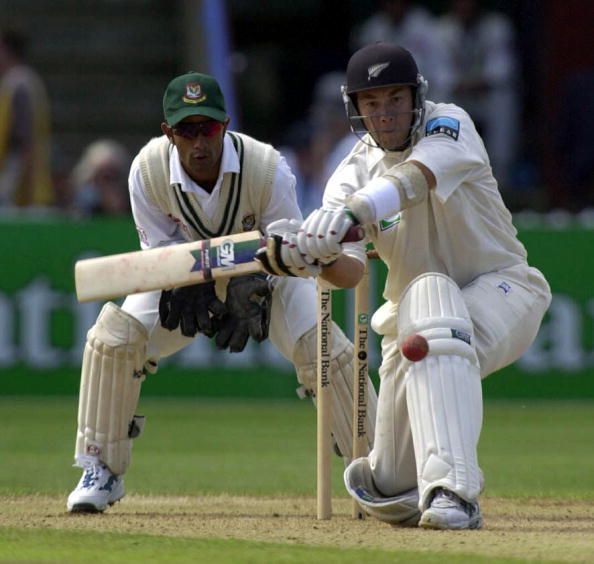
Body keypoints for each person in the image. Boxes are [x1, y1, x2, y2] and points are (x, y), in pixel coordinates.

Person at [258, 43, 551, 530]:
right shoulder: (348, 175)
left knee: (434, 298)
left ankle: (455, 492)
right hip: (410, 326)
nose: (385, 113)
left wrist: (351, 215)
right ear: (356, 108)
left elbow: (415, 179)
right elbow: (350, 275)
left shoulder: (450, 124)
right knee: (393, 481)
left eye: (395, 98)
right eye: (371, 103)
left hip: (504, 290)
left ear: (417, 97)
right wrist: (317, 258)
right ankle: (409, 485)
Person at [66, 71, 377, 513]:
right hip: (186, 283)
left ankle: (377, 470)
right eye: (186, 131)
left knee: (325, 347)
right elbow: (159, 257)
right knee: (113, 338)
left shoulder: (267, 167)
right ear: (168, 132)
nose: (199, 143)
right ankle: (99, 468)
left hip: (271, 276)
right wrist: (189, 283)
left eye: (208, 128)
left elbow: (291, 250)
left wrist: (254, 281)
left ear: (225, 124)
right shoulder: (148, 172)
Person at [437, 0, 520, 189]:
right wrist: (461, 84)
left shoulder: (497, 26)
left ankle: (501, 176)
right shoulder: (441, 29)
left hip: (486, 95)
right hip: (457, 95)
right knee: (438, 99)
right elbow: (439, 73)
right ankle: (447, 174)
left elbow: (502, 70)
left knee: (503, 99)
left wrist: (477, 83)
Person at [0, 27, 53, 207]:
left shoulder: (19, 84)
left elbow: (25, 139)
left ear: (6, 50)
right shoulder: (21, 81)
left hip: (17, 178)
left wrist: (25, 185)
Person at [70, 139, 131, 216]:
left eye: (113, 175)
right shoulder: (85, 198)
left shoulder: (131, 197)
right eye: (103, 175)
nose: (108, 182)